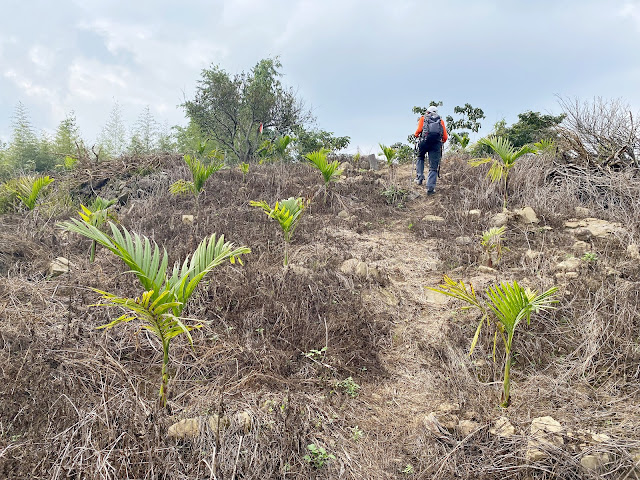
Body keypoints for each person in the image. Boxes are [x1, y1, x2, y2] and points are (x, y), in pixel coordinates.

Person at [414, 105, 448, 195]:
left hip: (424, 142)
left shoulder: (423, 118)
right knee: (433, 167)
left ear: (427, 112)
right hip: (436, 144)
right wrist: (440, 142)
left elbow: (418, 132)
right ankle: (430, 188)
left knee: (420, 157)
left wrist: (417, 135)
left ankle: (419, 178)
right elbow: (445, 137)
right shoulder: (440, 121)